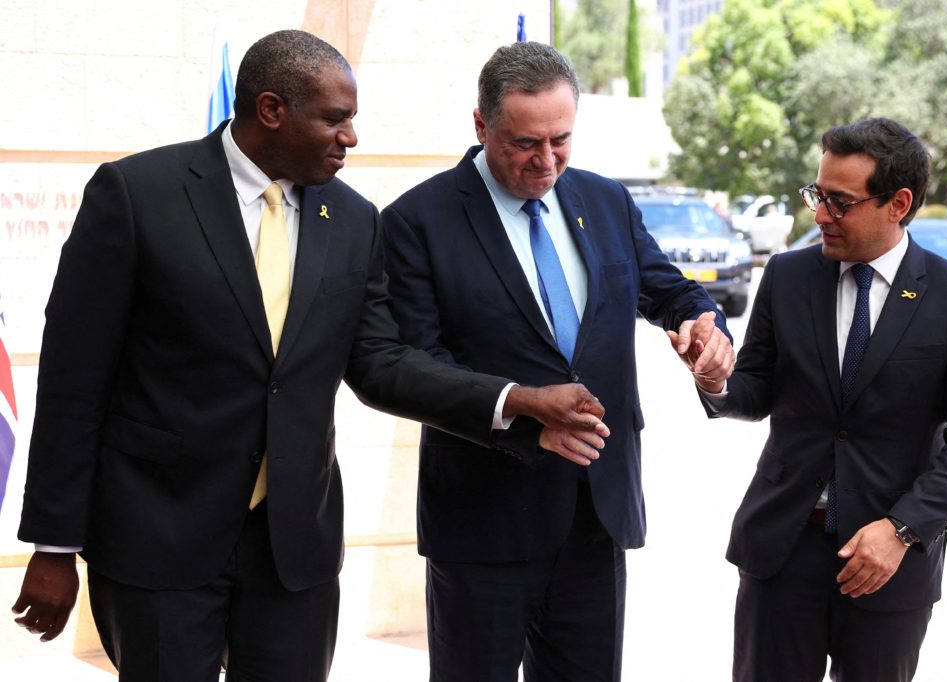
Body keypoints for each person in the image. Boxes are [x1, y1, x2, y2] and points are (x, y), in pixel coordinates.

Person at [10, 30, 610, 682]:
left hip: (293, 553)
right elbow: (74, 380)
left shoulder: (354, 220)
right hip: (159, 542)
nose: (351, 137)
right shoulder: (136, 194)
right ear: (272, 110)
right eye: (335, 118)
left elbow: (380, 363)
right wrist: (54, 544)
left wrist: (516, 401)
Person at [380, 41, 734, 682]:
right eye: (525, 143)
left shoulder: (605, 201)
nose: (546, 160)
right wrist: (519, 409)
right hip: (483, 524)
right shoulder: (416, 221)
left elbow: (669, 290)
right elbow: (413, 368)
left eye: (561, 140)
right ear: (481, 125)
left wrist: (703, 328)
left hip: (596, 514)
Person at [684, 117, 947, 681]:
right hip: (782, 548)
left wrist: (903, 528)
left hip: (888, 556)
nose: (819, 216)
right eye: (817, 195)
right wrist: (715, 378)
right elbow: (754, 389)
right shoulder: (786, 276)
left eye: (840, 202)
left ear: (897, 204)